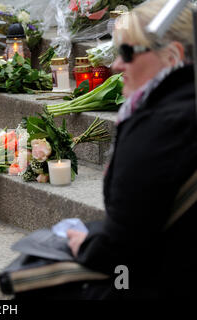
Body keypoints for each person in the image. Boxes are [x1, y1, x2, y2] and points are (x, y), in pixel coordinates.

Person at [66, 0, 197, 299]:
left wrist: (86, 245)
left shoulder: (160, 127)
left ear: (172, 55)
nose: (116, 65)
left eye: (127, 53)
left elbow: (123, 245)